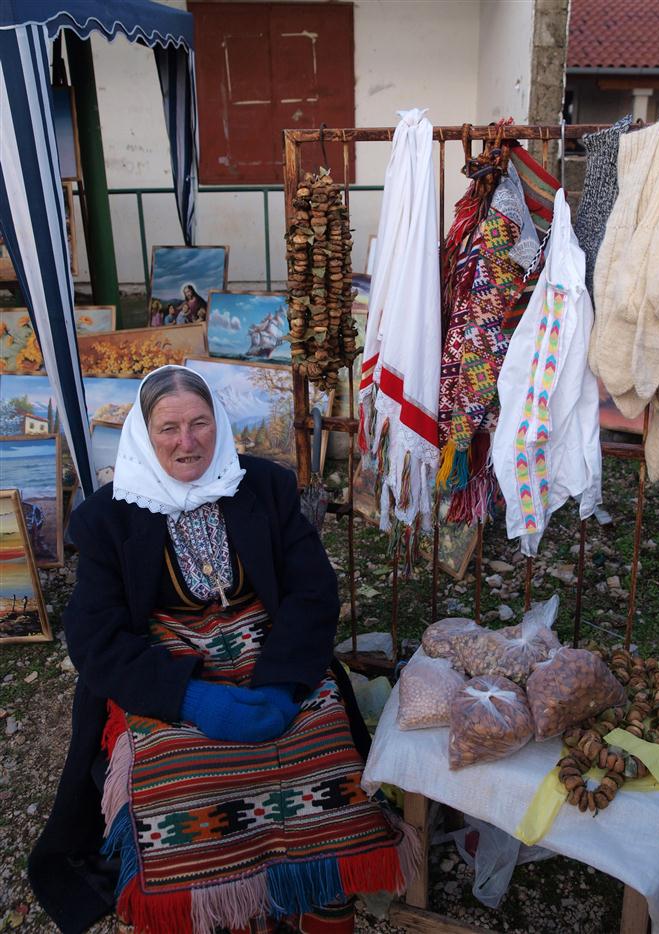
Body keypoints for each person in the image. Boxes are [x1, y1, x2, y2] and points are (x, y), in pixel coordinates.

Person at [29, 365, 416, 934]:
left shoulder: (264, 486)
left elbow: (312, 591)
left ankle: (318, 892)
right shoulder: (107, 517)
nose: (186, 442)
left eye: (200, 423)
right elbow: (95, 636)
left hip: (270, 647)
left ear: (220, 423)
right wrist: (190, 701)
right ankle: (230, 905)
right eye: (168, 428)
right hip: (166, 659)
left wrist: (283, 685)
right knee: (184, 764)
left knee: (319, 732)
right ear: (144, 433)